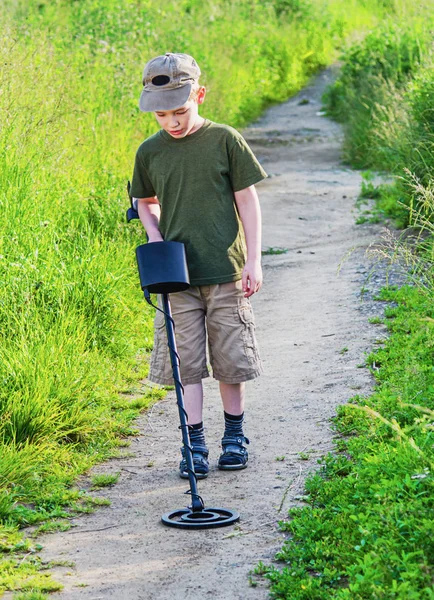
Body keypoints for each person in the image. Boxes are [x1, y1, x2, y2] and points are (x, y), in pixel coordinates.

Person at [130, 52, 267, 479]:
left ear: (200, 96)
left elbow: (247, 199)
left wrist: (255, 260)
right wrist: (155, 237)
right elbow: (143, 201)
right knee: (185, 363)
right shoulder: (150, 152)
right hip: (176, 277)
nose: (171, 121)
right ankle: (194, 444)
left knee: (230, 358)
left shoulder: (225, 139)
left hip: (226, 271)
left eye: (180, 110)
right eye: (162, 114)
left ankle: (234, 436)